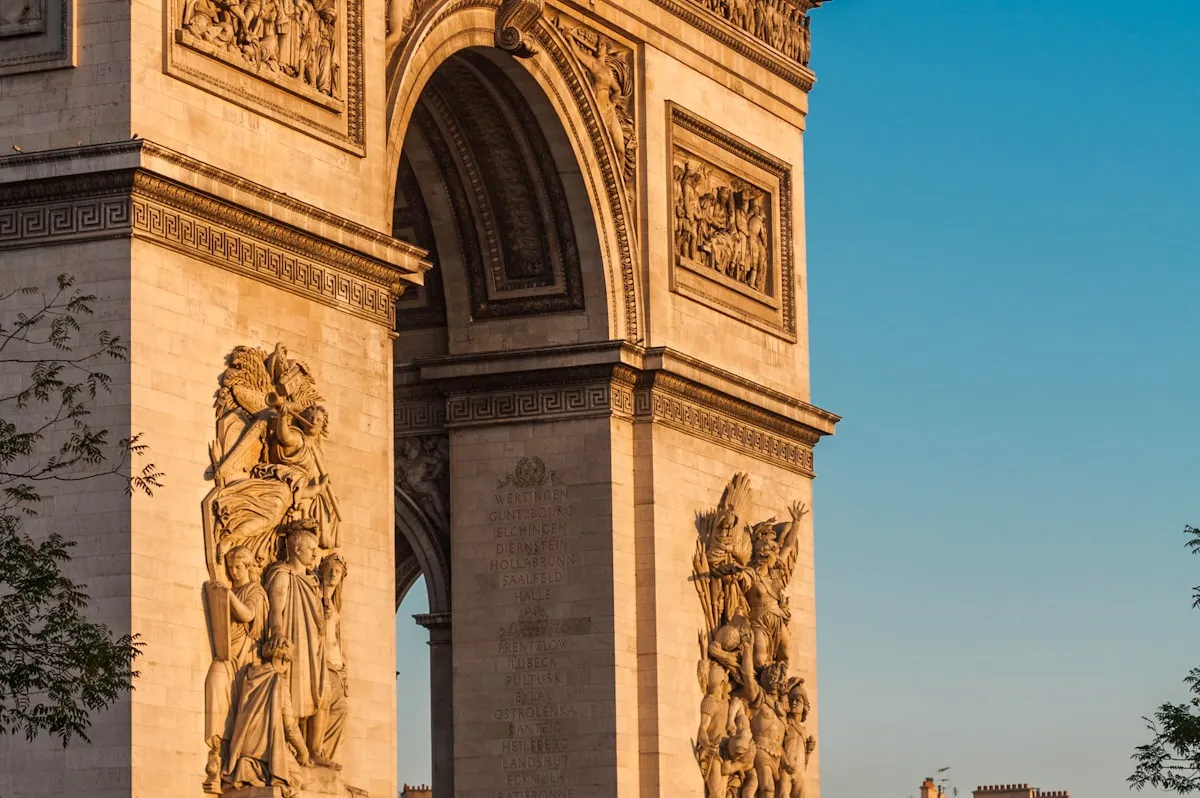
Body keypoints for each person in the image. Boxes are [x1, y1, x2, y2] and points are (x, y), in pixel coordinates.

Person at [203, 546, 269, 792]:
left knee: (240, 708)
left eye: (238, 567)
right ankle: (217, 748)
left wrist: (228, 595)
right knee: (215, 682)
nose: (234, 572)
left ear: (249, 567)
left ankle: (234, 758)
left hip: (246, 659)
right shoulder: (235, 588)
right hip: (227, 655)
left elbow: (247, 615)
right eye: (231, 568)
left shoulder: (255, 591)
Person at [265, 521, 331, 764]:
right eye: (311, 549)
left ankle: (315, 750)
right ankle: (287, 750)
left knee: (322, 694)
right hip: (296, 640)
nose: (316, 554)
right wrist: (278, 633)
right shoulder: (283, 575)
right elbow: (276, 610)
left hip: (314, 645)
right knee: (295, 696)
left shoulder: (313, 581)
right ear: (295, 549)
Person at [223, 637, 310, 797]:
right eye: (288, 662)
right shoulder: (278, 681)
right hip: (266, 752)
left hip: (243, 750)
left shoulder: (251, 675)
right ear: (283, 660)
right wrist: (303, 751)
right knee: (296, 778)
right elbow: (289, 725)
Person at [307, 553, 349, 766]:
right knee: (322, 703)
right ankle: (315, 751)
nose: (333, 573)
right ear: (321, 572)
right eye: (330, 569)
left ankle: (324, 753)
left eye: (338, 571)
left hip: (337, 667)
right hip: (320, 661)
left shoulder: (335, 602)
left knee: (340, 709)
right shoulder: (316, 597)